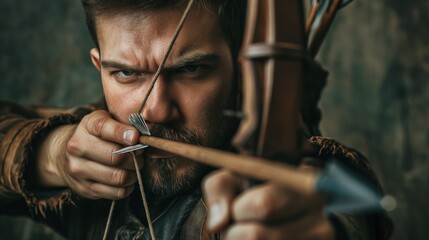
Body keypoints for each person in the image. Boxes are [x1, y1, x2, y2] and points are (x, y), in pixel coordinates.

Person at [0, 0, 392, 239]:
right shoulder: (92, 142)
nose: (154, 110)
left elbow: (334, 210)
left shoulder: (301, 165)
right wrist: (51, 156)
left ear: (241, 66)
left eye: (191, 70)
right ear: (98, 66)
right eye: (125, 73)